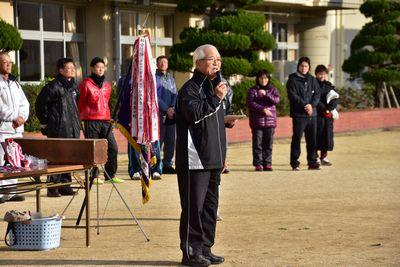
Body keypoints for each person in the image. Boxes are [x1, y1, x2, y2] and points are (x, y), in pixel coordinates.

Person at [175, 44, 236, 267]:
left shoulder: (215, 88)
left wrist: (225, 120)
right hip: (195, 160)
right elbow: (194, 115)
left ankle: (206, 249)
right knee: (194, 208)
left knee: (210, 207)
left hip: (214, 157)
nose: (216, 63)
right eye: (212, 59)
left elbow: (212, 119)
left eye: (219, 59)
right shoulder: (189, 89)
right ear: (198, 63)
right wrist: (216, 99)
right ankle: (191, 252)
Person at [36, 57, 80, 197]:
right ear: (61, 70)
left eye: (73, 68)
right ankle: (53, 186)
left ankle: (65, 185)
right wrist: (45, 123)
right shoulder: (53, 86)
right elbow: (41, 105)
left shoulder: (74, 87)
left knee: (69, 156)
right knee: (57, 156)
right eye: (69, 68)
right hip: (57, 127)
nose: (72, 70)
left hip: (72, 127)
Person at [78, 57, 122, 184]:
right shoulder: (86, 84)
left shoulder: (107, 86)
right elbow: (80, 103)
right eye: (98, 67)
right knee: (94, 149)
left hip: (105, 120)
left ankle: (110, 174)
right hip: (91, 120)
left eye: (103, 67)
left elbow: (108, 103)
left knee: (113, 147)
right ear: (92, 68)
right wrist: (79, 118)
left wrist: (111, 117)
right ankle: (94, 176)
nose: (101, 69)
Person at [117, 62, 162, 180]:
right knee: (134, 143)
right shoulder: (125, 80)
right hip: (134, 117)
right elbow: (122, 98)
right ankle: (135, 169)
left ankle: (155, 169)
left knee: (154, 141)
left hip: (150, 116)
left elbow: (158, 96)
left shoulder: (153, 78)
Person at [0, 52, 29, 203]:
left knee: (15, 161)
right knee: (1, 161)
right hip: (3, 128)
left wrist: (22, 117)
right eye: (5, 62)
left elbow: (25, 103)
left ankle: (10, 192)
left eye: (10, 62)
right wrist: (13, 117)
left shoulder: (14, 83)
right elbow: (0, 107)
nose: (8, 64)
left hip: (17, 129)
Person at [287, 56, 321, 171]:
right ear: (298, 66)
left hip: (312, 114)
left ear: (309, 67)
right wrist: (305, 105)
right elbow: (293, 96)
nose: (304, 68)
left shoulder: (313, 79)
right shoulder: (292, 79)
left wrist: (311, 105)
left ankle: (312, 162)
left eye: (306, 66)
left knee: (312, 139)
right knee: (297, 138)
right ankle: (295, 163)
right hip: (299, 114)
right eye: (302, 66)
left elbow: (317, 95)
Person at [247, 70, 280, 171]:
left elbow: (276, 100)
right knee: (257, 144)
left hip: (270, 122)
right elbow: (250, 103)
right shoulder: (252, 90)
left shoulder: (272, 89)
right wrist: (262, 109)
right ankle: (258, 164)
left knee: (268, 144)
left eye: (266, 78)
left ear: (268, 79)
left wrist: (266, 94)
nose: (263, 80)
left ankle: (268, 163)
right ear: (258, 79)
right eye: (261, 78)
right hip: (257, 121)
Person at [156, 55, 177, 175]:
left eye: (165, 62)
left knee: (171, 140)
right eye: (161, 62)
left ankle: (168, 164)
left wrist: (173, 108)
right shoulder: (154, 78)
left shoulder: (170, 78)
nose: (164, 64)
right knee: (159, 140)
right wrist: (166, 109)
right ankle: (156, 165)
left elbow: (175, 94)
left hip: (171, 114)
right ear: (158, 64)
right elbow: (155, 97)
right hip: (159, 114)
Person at [315, 64, 339, 166]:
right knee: (316, 135)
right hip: (317, 115)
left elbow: (335, 98)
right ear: (316, 74)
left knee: (327, 136)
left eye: (324, 74)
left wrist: (330, 109)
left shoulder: (329, 85)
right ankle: (315, 157)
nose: (322, 76)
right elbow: (315, 99)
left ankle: (324, 157)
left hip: (327, 116)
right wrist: (324, 109)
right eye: (320, 74)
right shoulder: (313, 85)